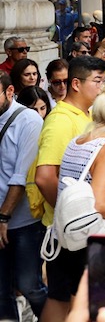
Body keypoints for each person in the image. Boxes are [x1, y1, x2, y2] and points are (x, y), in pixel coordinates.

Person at [33, 55, 105, 321]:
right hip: (71, 232)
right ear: (76, 84)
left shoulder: (85, 115)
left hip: (80, 229)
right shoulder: (61, 120)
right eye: (97, 81)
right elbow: (44, 176)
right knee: (74, 302)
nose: (102, 87)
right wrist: (70, 214)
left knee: (64, 300)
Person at [55, 78, 105, 311]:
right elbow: (100, 203)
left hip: (71, 240)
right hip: (99, 241)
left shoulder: (75, 143)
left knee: (79, 310)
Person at [0, 72, 48, 320]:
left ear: (9, 92)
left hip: (23, 221)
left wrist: (3, 218)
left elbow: (21, 175)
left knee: (29, 285)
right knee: (1, 291)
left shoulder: (28, 120)